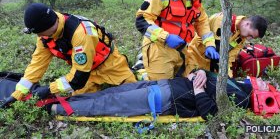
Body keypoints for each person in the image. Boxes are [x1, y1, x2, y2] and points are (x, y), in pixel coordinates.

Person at [1, 3, 136, 107]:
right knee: (80, 105)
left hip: (110, 64)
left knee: (133, 96)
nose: (39, 36)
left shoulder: (80, 33)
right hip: (87, 73)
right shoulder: (45, 37)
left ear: (49, 25)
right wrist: (17, 94)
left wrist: (49, 89)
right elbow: (36, 65)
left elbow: (77, 79)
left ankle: (136, 71)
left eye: (40, 33)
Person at [50, 69, 266, 120]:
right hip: (167, 84)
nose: (266, 83)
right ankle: (65, 100)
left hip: (167, 99)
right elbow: (207, 73)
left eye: (268, 87)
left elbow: (210, 112)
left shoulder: (243, 98)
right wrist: (199, 72)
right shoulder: (235, 82)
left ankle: (57, 108)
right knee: (114, 91)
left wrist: (199, 91)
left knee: (112, 102)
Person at [135, 0, 218, 80]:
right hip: (159, 48)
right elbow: (141, 21)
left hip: (183, 49)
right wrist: (166, 37)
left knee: (185, 84)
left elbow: (201, 20)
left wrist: (210, 44)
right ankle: (142, 72)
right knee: (163, 89)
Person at [186, 13, 268, 77]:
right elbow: (203, 31)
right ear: (247, 24)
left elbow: (230, 58)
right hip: (194, 58)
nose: (249, 38)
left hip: (210, 66)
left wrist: (228, 76)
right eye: (250, 35)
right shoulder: (222, 20)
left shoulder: (241, 38)